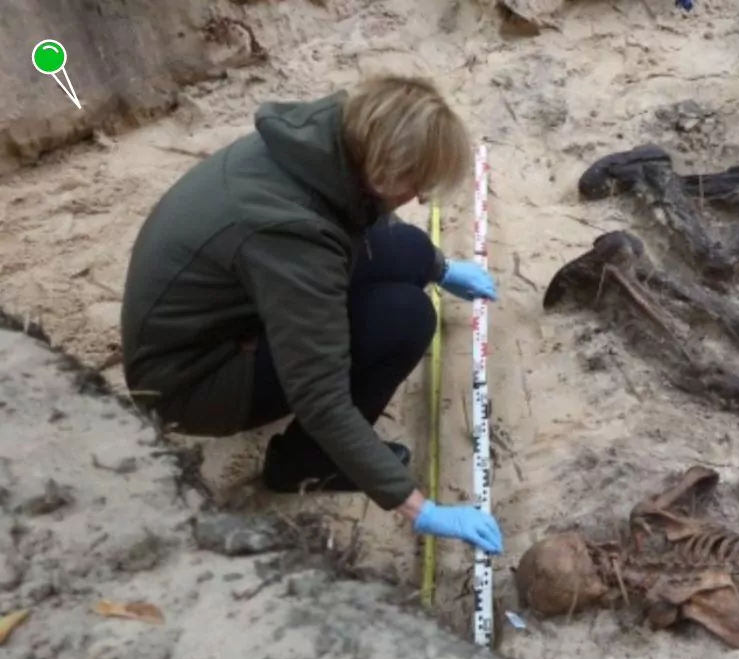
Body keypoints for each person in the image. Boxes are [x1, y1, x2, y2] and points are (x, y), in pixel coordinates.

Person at [120, 75, 503, 555]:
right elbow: (320, 398)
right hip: (185, 381)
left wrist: (439, 267)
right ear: (383, 172)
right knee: (403, 317)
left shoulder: (319, 142)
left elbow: (366, 219)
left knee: (404, 247)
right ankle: (304, 463)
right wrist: (417, 508)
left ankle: (422, 267)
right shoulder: (292, 233)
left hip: (216, 311)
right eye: (417, 186)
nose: (422, 200)